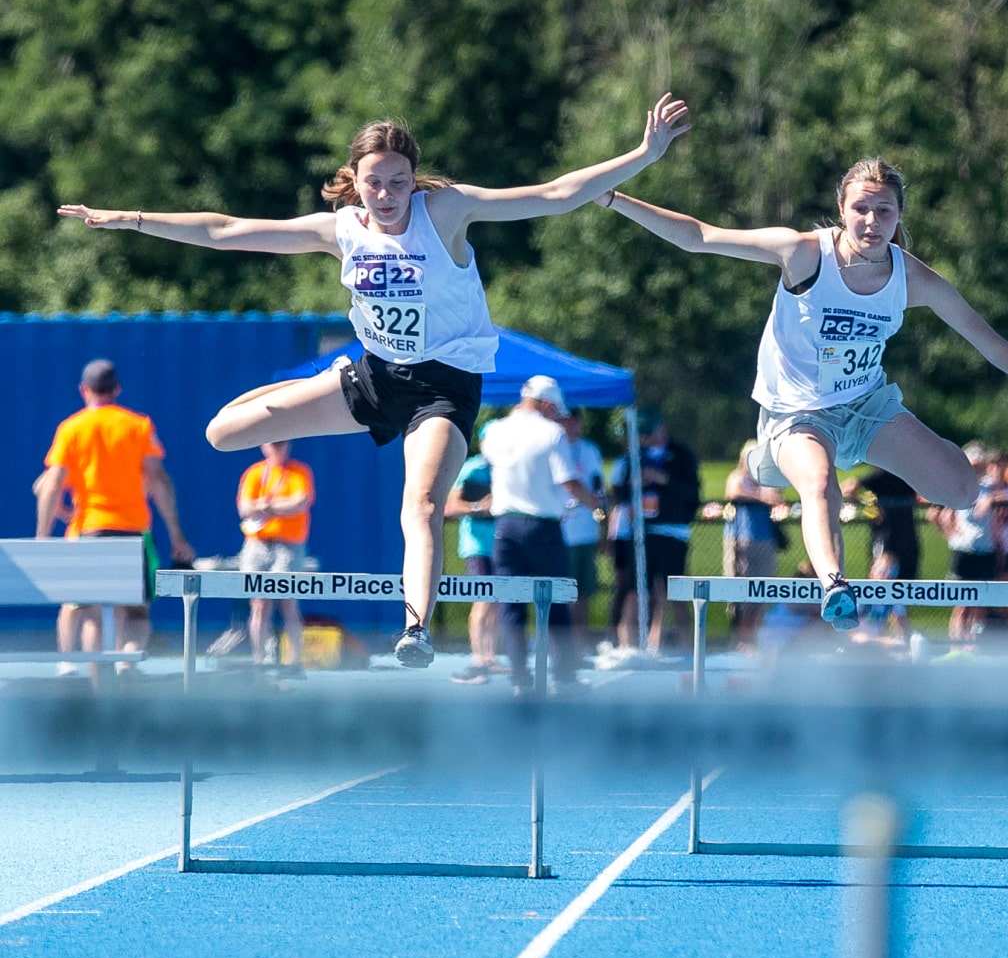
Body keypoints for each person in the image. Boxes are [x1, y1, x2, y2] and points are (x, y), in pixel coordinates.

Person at [60, 96, 689, 666]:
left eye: (397, 182)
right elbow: (224, 230)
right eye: (373, 183)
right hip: (374, 378)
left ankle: (414, 629)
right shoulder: (340, 231)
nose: (386, 196)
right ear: (354, 184)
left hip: (445, 389)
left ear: (414, 180)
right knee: (222, 433)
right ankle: (335, 372)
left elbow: (555, 194)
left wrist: (643, 153)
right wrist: (132, 218)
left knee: (420, 503)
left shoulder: (445, 211)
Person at [601, 157, 1008, 632]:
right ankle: (834, 584)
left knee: (962, 489)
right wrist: (613, 198)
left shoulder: (912, 277)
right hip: (798, 415)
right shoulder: (803, 253)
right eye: (861, 209)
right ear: (842, 210)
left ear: (898, 217)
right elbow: (700, 236)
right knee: (819, 479)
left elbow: (993, 345)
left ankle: (816, 472)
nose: (871, 220)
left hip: (868, 408)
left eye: (883, 211)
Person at [31, 359, 196, 664]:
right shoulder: (138, 426)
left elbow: (49, 485)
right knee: (136, 611)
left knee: (92, 613)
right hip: (133, 531)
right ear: (117, 389)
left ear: (84, 390)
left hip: (89, 530)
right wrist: (177, 535)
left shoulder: (71, 428)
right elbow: (158, 480)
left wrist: (44, 535)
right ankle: (126, 662)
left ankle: (97, 684)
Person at [478, 375, 600, 691]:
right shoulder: (552, 433)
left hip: (504, 527)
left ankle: (520, 677)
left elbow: (492, 462)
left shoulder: (495, 431)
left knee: (510, 605)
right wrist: (595, 503)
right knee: (555, 602)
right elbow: (568, 481)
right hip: (543, 527)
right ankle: (563, 675)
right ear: (546, 404)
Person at [608, 410, 702, 652]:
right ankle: (627, 646)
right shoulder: (633, 459)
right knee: (635, 591)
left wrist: (663, 480)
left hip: (672, 532)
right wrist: (633, 486)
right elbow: (619, 497)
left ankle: (687, 648)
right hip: (640, 533)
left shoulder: (681, 455)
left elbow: (692, 494)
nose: (643, 439)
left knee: (676, 592)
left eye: (647, 434)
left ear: (660, 430)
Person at [236, 440, 313, 669]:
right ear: (264, 447)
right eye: (274, 445)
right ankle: (259, 660)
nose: (279, 449)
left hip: (288, 545)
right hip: (258, 543)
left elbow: (299, 503)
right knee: (259, 604)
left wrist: (265, 506)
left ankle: (294, 661)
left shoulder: (299, 472)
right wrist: (277, 506)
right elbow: (244, 508)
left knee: (288, 603)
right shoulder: (255, 473)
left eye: (283, 445)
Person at [936, 442, 1008, 644]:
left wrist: (992, 498)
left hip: (985, 550)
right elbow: (939, 515)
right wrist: (952, 534)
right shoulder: (959, 485)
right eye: (973, 465)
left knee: (980, 601)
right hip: (965, 550)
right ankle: (956, 643)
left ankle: (972, 644)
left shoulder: (988, 487)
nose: (976, 469)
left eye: (979, 465)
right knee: (962, 603)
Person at [721, 439, 785, 649]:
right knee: (742, 591)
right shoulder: (738, 478)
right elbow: (734, 492)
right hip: (742, 539)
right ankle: (740, 640)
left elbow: (777, 498)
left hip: (765, 539)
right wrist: (760, 496)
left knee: (763, 590)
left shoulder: (767, 480)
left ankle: (754, 639)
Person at [444, 450, 501, 683]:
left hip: (502, 542)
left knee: (498, 600)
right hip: (477, 545)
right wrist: (479, 506)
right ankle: (477, 657)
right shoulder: (472, 468)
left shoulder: (508, 466)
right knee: (483, 600)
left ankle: (490, 657)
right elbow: (451, 507)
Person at [558, 410, 606, 625]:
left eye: (572, 421)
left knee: (582, 592)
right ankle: (560, 644)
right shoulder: (552, 448)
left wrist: (603, 528)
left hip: (585, 531)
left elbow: (599, 489)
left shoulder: (590, 450)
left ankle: (579, 645)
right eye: (564, 421)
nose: (568, 425)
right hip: (558, 533)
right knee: (560, 592)